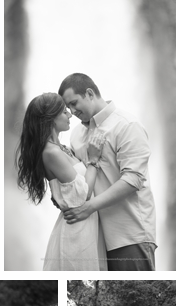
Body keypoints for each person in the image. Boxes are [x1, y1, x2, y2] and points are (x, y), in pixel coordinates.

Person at [58, 73, 157, 270]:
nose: (72, 111)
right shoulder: (77, 135)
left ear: (89, 93)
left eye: (74, 103)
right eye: (68, 107)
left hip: (128, 233)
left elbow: (133, 179)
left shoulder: (127, 125)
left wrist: (89, 207)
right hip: (91, 235)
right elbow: (79, 182)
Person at [16, 92, 106, 270]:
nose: (70, 114)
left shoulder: (60, 148)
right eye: (64, 112)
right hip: (77, 231)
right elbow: (84, 194)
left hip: (84, 223)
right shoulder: (52, 152)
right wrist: (93, 159)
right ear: (50, 118)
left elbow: (69, 190)